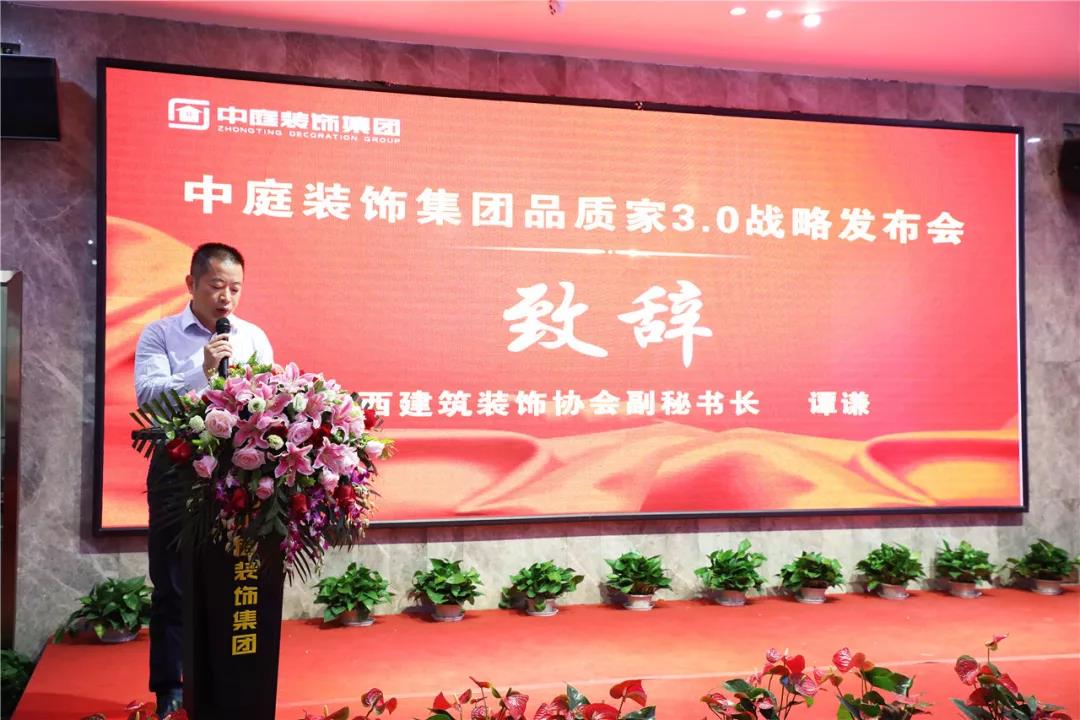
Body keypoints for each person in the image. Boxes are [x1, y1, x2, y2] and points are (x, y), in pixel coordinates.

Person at [133, 243, 272, 714]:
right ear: (191, 284)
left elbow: (267, 401)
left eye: (235, 288)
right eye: (216, 286)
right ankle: (169, 687)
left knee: (231, 577)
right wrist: (203, 370)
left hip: (238, 473)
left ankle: (223, 678)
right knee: (172, 582)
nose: (226, 297)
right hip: (176, 471)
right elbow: (149, 399)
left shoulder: (253, 337)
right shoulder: (160, 334)